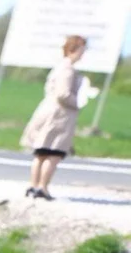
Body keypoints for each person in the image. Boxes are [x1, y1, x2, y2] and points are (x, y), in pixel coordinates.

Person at [22, 35, 87, 201]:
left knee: (41, 152)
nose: (83, 53)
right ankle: (42, 187)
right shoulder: (68, 70)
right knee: (53, 153)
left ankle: (33, 185)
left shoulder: (59, 67)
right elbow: (63, 94)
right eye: (82, 49)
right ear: (74, 49)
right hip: (59, 116)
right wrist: (78, 102)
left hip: (48, 111)